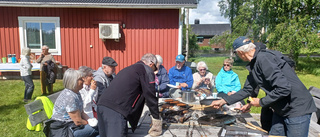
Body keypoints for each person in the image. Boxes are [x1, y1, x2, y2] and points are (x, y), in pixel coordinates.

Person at [210, 36, 317, 137]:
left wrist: (261, 102)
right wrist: (224, 101)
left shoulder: (264, 59)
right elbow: (247, 89)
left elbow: (283, 88)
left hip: (297, 108)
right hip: (280, 109)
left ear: (240, 52)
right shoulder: (255, 62)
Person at [97, 53, 162, 137]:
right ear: (151, 64)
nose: (153, 71)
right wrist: (156, 118)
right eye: (154, 68)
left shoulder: (129, 69)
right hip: (116, 110)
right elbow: (150, 95)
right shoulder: (147, 70)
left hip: (102, 106)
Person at [45, 69, 99, 137]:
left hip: (71, 125)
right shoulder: (69, 96)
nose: (83, 81)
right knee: (100, 128)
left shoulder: (76, 92)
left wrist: (90, 120)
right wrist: (89, 123)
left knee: (99, 130)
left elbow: (81, 112)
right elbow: (78, 122)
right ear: (73, 81)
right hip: (64, 129)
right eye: (80, 79)